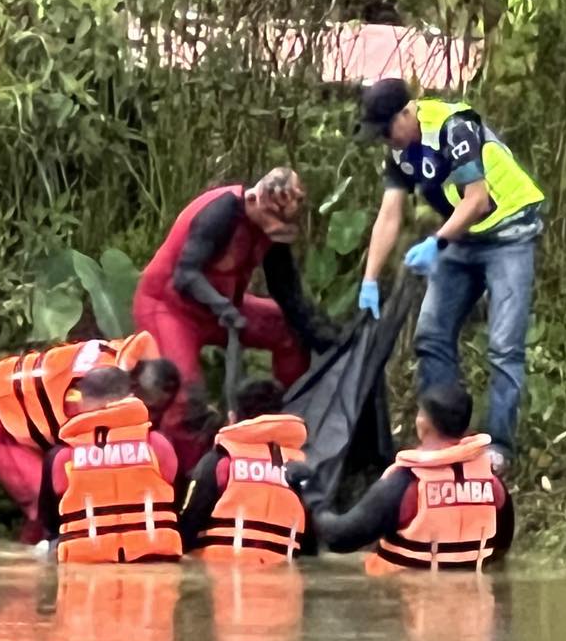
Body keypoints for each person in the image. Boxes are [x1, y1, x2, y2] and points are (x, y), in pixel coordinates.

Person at [356, 79, 545, 473]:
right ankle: (443, 436)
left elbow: (477, 199)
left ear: (406, 113)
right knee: (431, 335)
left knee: (504, 346)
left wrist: (437, 244)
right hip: (461, 239)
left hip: (509, 231)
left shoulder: (452, 127)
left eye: (387, 130)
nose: (386, 141)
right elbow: (389, 214)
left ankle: (498, 449)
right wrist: (370, 279)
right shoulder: (402, 153)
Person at [134, 168, 331, 475]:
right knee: (185, 396)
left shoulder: (270, 230)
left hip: (221, 308)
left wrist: (316, 331)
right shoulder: (220, 213)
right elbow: (186, 275)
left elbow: (285, 289)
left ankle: (286, 421)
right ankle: (189, 478)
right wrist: (223, 307)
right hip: (171, 307)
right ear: (255, 200)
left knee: (287, 330)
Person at [299, 382, 513, 574]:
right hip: (474, 602)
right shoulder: (493, 485)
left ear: (423, 422)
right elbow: (501, 546)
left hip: (408, 602)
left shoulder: (404, 482)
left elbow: (340, 538)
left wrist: (316, 505)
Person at [0, 331, 160, 543]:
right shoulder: (89, 395)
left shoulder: (121, 355)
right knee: (46, 503)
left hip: (36, 420)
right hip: (3, 430)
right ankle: (31, 563)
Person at [38, 367, 182, 564]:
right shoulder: (158, 446)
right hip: (154, 566)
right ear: (130, 398)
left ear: (80, 404)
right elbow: (176, 505)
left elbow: (50, 523)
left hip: (86, 573)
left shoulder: (62, 457)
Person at [180, 378, 309, 566]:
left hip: (223, 580)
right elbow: (309, 542)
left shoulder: (220, 461)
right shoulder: (297, 470)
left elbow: (189, 524)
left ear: (233, 417)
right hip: (280, 583)